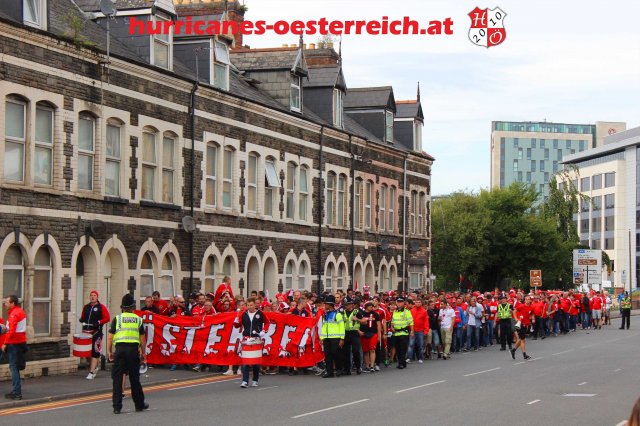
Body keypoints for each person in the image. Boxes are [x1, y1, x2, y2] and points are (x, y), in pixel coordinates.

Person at [107, 293, 148, 415]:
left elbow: (110, 337)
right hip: (132, 350)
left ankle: (116, 407)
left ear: (122, 307)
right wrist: (143, 352)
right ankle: (139, 404)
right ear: (133, 307)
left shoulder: (117, 319)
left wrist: (109, 351)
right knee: (134, 378)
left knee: (117, 379)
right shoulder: (138, 320)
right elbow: (142, 339)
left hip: (119, 350)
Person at [79, 290, 110, 379]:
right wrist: (81, 320)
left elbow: (107, 318)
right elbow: (83, 317)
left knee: (95, 352)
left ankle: (91, 372)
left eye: (94, 295)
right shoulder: (86, 307)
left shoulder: (101, 307)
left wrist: (99, 322)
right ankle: (95, 366)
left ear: (97, 297)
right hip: (86, 333)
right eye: (91, 295)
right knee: (87, 353)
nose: (92, 297)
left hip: (97, 333)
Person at [236, 297, 265, 388]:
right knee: (245, 361)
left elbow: (267, 323)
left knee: (256, 362)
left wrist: (263, 331)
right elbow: (237, 325)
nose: (249, 307)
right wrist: (235, 321)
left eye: (251, 305)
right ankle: (245, 381)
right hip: (246, 339)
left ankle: (255, 380)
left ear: (255, 305)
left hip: (256, 339)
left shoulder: (260, 314)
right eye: (248, 305)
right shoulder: (243, 314)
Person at [2, 295, 27, 400]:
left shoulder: (14, 314)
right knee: (16, 367)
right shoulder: (20, 311)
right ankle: (16, 391)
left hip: (14, 344)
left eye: (7, 302)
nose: (5, 304)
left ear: (12, 303)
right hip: (20, 342)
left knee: (14, 368)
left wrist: (5, 343)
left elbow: (11, 331)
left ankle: (16, 393)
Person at [319, 295, 344, 378]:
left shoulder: (337, 314)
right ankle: (329, 372)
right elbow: (324, 326)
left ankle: (339, 369)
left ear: (330, 304)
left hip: (335, 338)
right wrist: (322, 338)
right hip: (326, 338)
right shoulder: (325, 314)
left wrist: (341, 339)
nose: (325, 305)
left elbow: (341, 326)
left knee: (336, 354)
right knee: (327, 355)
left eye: (326, 304)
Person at [356, 301, 381, 372]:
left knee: (372, 350)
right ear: (366, 306)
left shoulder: (375, 314)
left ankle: (372, 366)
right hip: (364, 334)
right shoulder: (361, 314)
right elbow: (355, 322)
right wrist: (358, 331)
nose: (372, 307)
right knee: (366, 351)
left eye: (372, 306)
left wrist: (379, 335)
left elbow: (378, 325)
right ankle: (367, 366)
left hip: (373, 333)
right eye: (370, 306)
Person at [391, 297, 414, 369]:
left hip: (404, 333)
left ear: (403, 303)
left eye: (401, 302)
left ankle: (401, 363)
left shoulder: (407, 311)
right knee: (397, 349)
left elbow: (411, 322)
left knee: (403, 349)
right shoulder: (395, 312)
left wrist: (412, 331)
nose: (399, 303)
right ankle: (402, 362)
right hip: (396, 333)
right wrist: (392, 327)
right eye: (398, 302)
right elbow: (392, 322)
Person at [341, 297, 362, 375]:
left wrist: (357, 319)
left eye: (347, 304)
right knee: (346, 352)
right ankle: (347, 369)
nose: (346, 306)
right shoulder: (342, 312)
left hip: (354, 333)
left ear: (351, 304)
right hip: (346, 333)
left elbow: (364, 322)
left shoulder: (356, 312)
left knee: (355, 351)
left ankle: (358, 367)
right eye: (345, 304)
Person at [511, 295, 533, 360]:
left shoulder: (531, 307)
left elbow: (531, 314)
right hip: (521, 324)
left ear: (530, 300)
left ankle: (513, 350)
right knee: (522, 340)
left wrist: (531, 318)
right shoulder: (521, 306)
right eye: (526, 299)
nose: (527, 300)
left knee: (521, 339)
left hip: (527, 324)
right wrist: (515, 318)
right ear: (524, 300)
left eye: (528, 299)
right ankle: (524, 355)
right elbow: (514, 311)